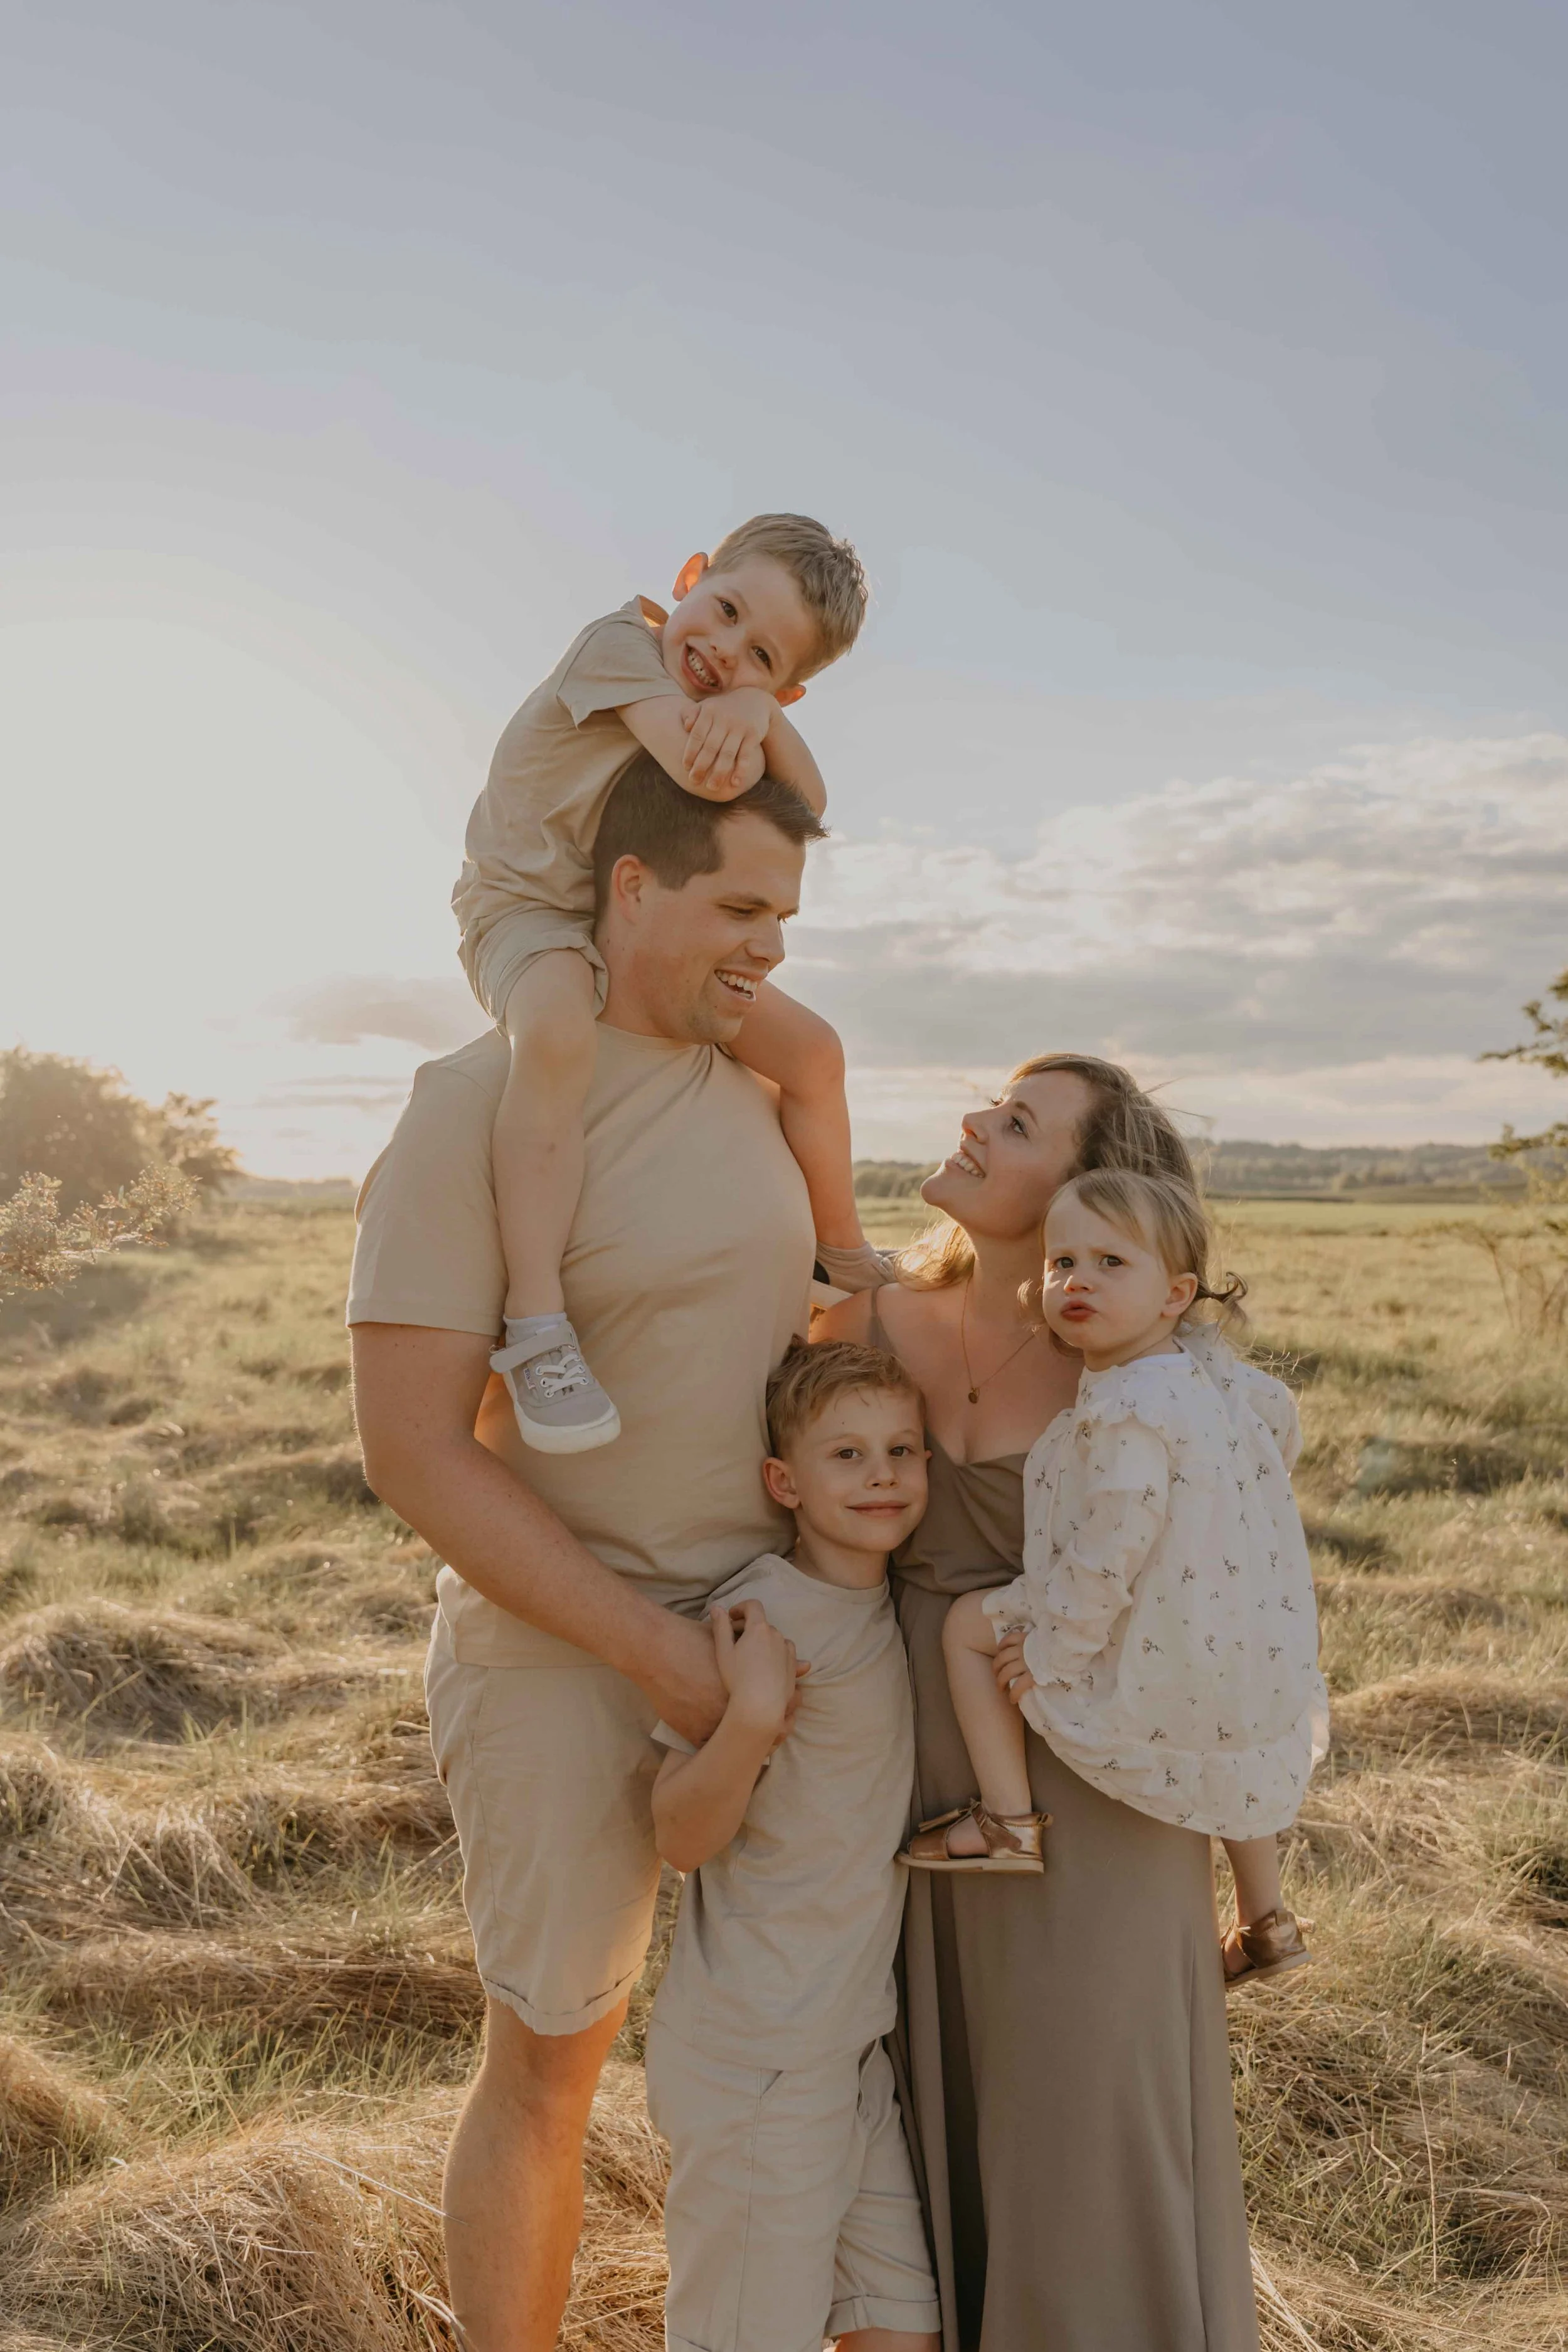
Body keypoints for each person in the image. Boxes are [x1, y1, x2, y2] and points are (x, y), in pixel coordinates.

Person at [349, 757, 829, 2352]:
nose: (768, 947)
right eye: (738, 908)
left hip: (773, 1652)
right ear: (629, 888)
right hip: (559, 1650)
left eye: (786, 916)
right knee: (553, 2059)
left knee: (808, 2052)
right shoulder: (477, 1105)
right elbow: (413, 1448)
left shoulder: (763, 1095)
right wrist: (654, 1652)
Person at [818, 1053, 1262, 2352]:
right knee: (933, 2110)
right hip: (904, 1782)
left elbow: (1228, 1602)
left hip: (1100, 1790)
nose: (969, 1124)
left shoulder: (1140, 1370)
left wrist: (1253, 1866)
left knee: (1084, 2124)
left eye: (1012, 1124)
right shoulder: (875, 1318)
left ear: (1087, 1189)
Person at [451, 512, 886, 1453]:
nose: (721, 651)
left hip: (629, 927)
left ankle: (842, 1256)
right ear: (688, 576)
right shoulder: (616, 645)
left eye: (759, 655)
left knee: (813, 1054)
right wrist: (748, 711)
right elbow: (707, 771)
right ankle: (535, 1326)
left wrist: (758, 713)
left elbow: (805, 806)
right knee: (560, 1031)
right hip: (526, 911)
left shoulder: (742, 706)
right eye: (723, 609)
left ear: (792, 686)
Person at [911, 1168, 1327, 1991]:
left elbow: (1111, 1549)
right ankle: (1267, 1918)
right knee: (1234, 1754)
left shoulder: (1127, 1404)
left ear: (1174, 1293)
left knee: (964, 1626)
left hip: (1156, 1625)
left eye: (1109, 1262)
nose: (1077, 1280)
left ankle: (1007, 1818)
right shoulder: (1212, 1373)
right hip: (1245, 1628)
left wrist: (1055, 1649)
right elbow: (1280, 1417)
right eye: (1063, 1261)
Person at [646, 1342, 941, 2352]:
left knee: (901, 2331)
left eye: (903, 1449)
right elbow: (680, 1831)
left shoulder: (904, 1599)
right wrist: (754, 1716)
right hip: (758, 2054)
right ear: (786, 1481)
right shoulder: (758, 1615)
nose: (883, 1474)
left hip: (849, 2046)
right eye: (848, 1454)